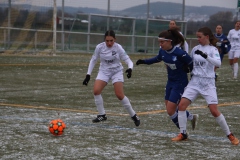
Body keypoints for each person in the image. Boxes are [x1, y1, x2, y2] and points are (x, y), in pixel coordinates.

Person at [172, 27, 239, 145]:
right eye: (197, 37)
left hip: (208, 83)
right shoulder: (195, 49)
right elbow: (191, 63)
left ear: (207, 37)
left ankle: (230, 135)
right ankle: (183, 133)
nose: (198, 39)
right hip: (195, 81)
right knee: (181, 106)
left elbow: (218, 63)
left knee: (214, 111)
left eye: (200, 37)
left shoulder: (213, 50)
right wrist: (187, 67)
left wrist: (205, 56)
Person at [136, 28, 198, 132]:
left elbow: (191, 62)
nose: (160, 45)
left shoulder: (180, 53)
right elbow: (157, 59)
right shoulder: (163, 51)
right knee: (171, 109)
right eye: (159, 42)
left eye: (162, 42)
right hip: (170, 82)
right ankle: (191, 117)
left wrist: (189, 70)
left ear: (170, 41)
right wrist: (144, 61)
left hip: (180, 83)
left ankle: (183, 132)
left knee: (170, 110)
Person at [82, 30, 140, 127]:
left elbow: (128, 60)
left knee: (119, 95)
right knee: (96, 91)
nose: (109, 43)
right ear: (104, 40)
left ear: (115, 39)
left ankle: (134, 116)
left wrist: (130, 68)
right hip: (104, 71)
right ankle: (102, 115)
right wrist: (88, 75)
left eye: (111, 41)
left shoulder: (118, 48)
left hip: (116, 72)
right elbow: (93, 60)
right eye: (107, 41)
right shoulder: (99, 47)